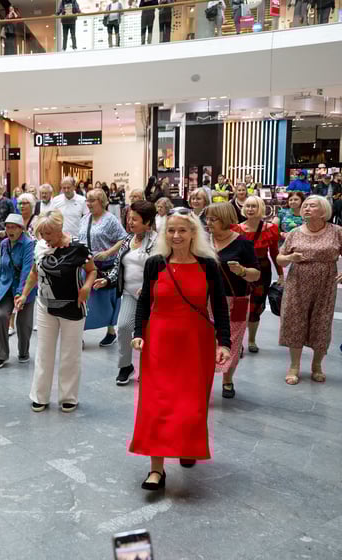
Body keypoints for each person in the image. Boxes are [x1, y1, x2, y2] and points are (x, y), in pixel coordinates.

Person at [131, 208, 231, 490]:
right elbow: (144, 303)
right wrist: (139, 333)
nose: (176, 235)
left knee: (191, 404)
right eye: (171, 230)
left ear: (193, 233)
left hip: (196, 343)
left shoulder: (208, 264)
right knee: (156, 404)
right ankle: (156, 469)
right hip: (160, 341)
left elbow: (220, 305)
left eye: (182, 230)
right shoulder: (155, 264)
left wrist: (224, 341)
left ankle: (187, 446)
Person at [15, 210, 96, 412]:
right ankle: (39, 395)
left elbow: (92, 270)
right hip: (46, 306)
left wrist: (86, 287)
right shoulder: (40, 247)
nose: (45, 239)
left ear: (59, 229)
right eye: (42, 234)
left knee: (70, 353)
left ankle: (68, 397)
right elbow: (34, 273)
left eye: (48, 234)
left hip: (73, 307)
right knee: (44, 351)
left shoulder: (78, 248)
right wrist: (24, 295)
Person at [277, 195, 342, 385]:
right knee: (295, 320)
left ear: (323, 211)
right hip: (298, 283)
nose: (306, 208)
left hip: (325, 284)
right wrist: (290, 259)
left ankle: (317, 366)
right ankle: (294, 366)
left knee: (321, 322)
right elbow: (280, 258)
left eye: (311, 206)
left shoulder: (336, 231)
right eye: (305, 206)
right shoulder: (295, 232)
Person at [96, 200, 157, 385]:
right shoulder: (128, 241)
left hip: (153, 298)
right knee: (123, 328)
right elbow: (117, 267)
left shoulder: (157, 242)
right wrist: (107, 279)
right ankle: (125, 366)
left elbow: (162, 271)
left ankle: (150, 369)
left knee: (150, 334)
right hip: (130, 294)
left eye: (135, 220)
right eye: (129, 219)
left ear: (147, 222)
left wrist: (151, 288)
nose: (130, 223)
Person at [207, 203, 260, 399]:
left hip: (235, 300)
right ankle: (205, 377)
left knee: (232, 342)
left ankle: (227, 378)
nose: (209, 223)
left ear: (227, 220)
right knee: (207, 341)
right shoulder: (202, 242)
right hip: (206, 301)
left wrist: (242, 271)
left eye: (214, 219)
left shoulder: (243, 244)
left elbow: (256, 274)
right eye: (208, 219)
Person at [232, 195, 281, 354]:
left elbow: (274, 253)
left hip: (263, 272)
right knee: (239, 307)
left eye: (254, 206)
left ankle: (252, 339)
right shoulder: (236, 229)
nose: (250, 209)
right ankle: (238, 342)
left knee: (257, 306)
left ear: (260, 208)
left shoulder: (271, 228)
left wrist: (281, 274)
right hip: (241, 272)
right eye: (247, 206)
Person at [80, 189, 126, 346]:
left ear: (102, 201)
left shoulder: (110, 219)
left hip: (105, 266)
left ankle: (111, 331)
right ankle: (79, 333)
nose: (89, 204)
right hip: (86, 266)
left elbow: (123, 239)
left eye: (92, 200)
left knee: (107, 301)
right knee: (85, 300)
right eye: (87, 200)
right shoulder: (85, 219)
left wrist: (108, 252)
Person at [0, 214, 36, 368]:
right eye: (7, 227)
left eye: (13, 227)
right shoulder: (4, 244)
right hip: (6, 287)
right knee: (1, 315)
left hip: (25, 288)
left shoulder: (28, 244)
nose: (9, 230)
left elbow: (27, 269)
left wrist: (20, 293)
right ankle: (0, 354)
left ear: (20, 229)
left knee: (23, 324)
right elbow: (3, 266)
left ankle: (23, 351)